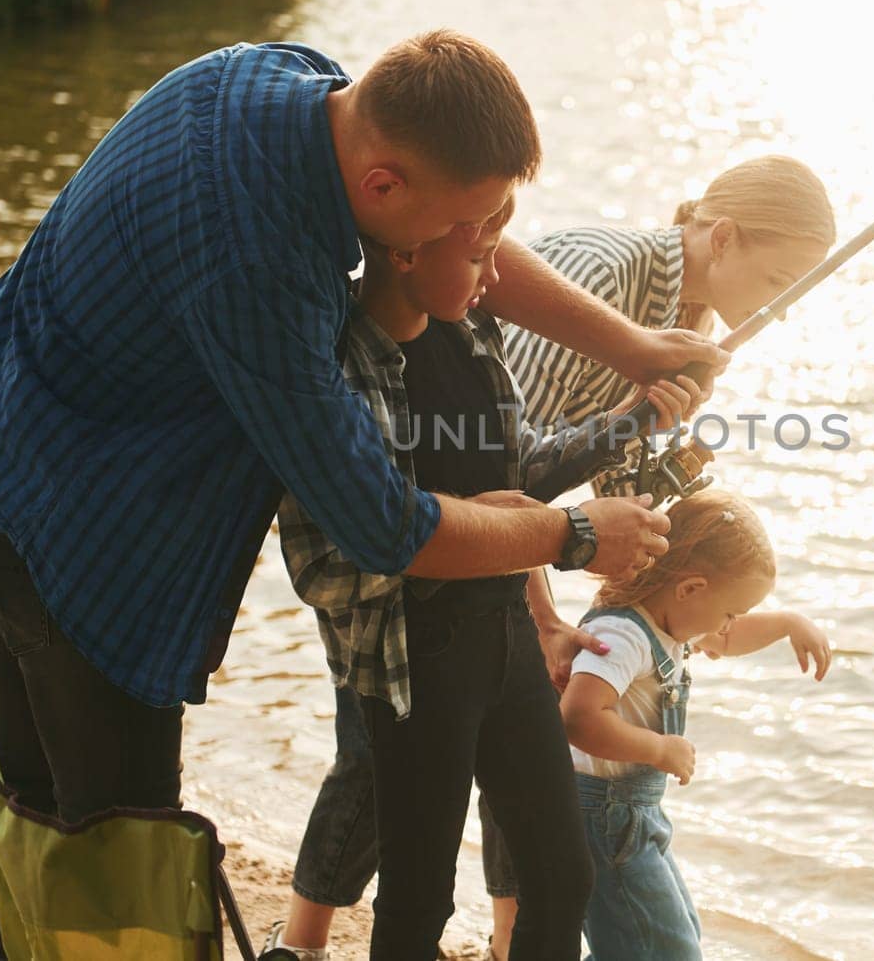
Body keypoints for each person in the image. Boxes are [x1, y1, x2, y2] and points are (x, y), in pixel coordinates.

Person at [0, 30, 724, 960]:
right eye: (456, 229)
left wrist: (636, 348)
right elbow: (386, 524)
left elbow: (467, 254)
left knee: (27, 792)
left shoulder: (292, 83)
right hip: (71, 524)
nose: (478, 250)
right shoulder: (261, 266)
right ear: (384, 189)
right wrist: (574, 534)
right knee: (122, 840)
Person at [268, 193, 705, 960]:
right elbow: (372, 541)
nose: (496, 274)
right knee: (417, 902)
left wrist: (635, 417)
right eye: (479, 257)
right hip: (419, 664)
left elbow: (519, 473)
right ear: (405, 249)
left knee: (562, 877)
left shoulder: (473, 329)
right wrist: (559, 535)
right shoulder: (344, 361)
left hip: (503, 640)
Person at [485, 153, 838, 954]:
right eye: (778, 279)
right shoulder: (606, 277)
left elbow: (597, 469)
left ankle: (509, 944)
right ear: (723, 236)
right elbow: (495, 465)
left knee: (521, 758)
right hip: (438, 531)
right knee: (398, 773)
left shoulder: (690, 314)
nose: (780, 309)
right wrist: (542, 613)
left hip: (517, 553)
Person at [560, 487, 823, 960]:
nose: (727, 626)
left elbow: (728, 638)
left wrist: (787, 623)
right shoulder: (622, 635)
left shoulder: (672, 620)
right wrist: (660, 750)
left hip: (634, 815)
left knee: (669, 933)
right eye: (729, 612)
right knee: (660, 947)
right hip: (605, 819)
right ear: (691, 589)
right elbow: (578, 717)